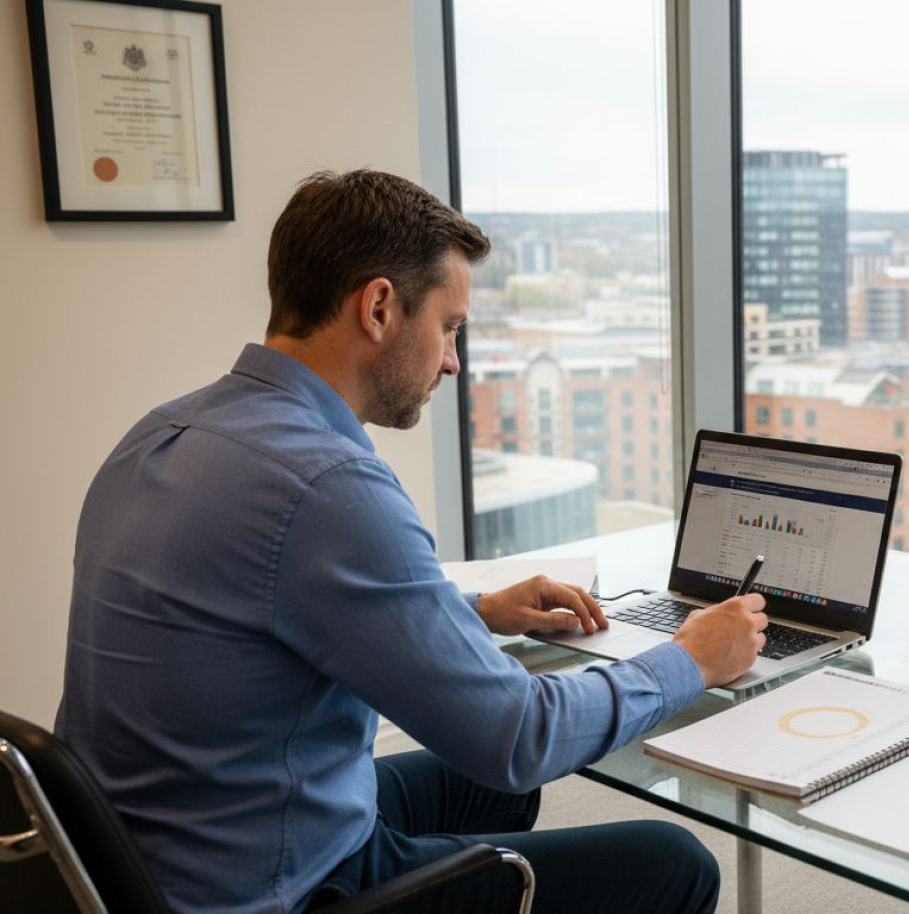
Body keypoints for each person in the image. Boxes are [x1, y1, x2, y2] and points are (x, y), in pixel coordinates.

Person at [55, 169, 767, 914]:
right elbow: (519, 738)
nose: (453, 360)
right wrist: (691, 658)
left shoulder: (164, 431)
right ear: (379, 308)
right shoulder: (327, 485)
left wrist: (475, 609)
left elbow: (267, 599)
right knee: (674, 863)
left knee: (489, 792)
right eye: (450, 326)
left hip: (146, 856)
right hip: (272, 887)